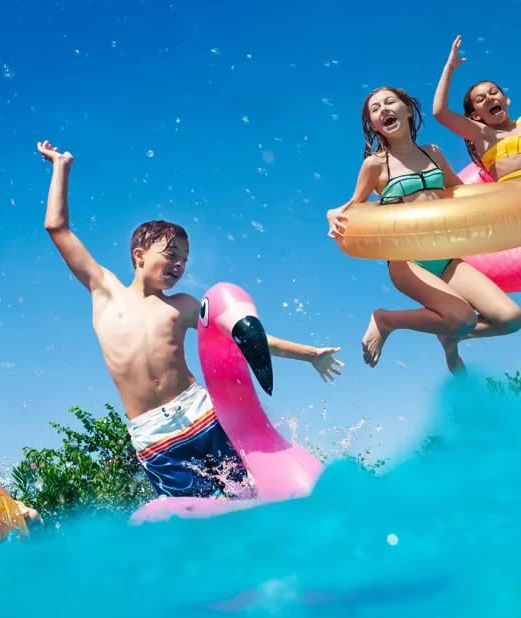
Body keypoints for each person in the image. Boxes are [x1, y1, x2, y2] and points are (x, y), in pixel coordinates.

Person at [37, 140, 343, 499]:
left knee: (245, 500)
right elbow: (56, 228)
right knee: (196, 524)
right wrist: (61, 165)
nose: (180, 264)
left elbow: (242, 338)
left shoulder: (181, 305)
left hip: (203, 417)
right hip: (153, 437)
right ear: (138, 255)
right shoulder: (104, 291)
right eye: (171, 254)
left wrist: (309, 354)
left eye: (185, 257)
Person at [326, 87, 521, 373]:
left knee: (510, 318)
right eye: (375, 110)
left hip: (445, 256)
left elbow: (459, 192)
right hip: (407, 260)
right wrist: (332, 213)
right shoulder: (375, 165)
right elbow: (353, 206)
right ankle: (386, 320)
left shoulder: (432, 152)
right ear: (374, 124)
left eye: (390, 102)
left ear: (407, 109)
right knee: (464, 316)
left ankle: (449, 334)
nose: (384, 110)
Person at [433, 35, 521, 182]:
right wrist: (449, 67)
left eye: (493, 93)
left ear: (506, 100)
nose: (489, 98)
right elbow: (439, 112)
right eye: (481, 99)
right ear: (475, 116)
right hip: (510, 197)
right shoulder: (482, 135)